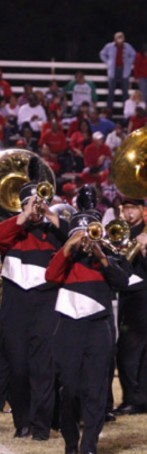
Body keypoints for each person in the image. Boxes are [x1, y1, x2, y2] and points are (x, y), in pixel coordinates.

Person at [45, 187, 132, 454]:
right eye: (80, 234)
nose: (85, 240)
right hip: (68, 326)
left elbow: (122, 282)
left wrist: (101, 255)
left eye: (90, 233)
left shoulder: (108, 255)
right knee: (69, 388)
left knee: (95, 388)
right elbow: (50, 276)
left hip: (98, 326)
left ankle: (89, 445)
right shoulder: (65, 258)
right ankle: (71, 438)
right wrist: (69, 247)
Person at [0, 175, 67, 440]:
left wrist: (50, 215)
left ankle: (41, 426)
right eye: (31, 203)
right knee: (17, 366)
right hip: (15, 302)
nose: (36, 208)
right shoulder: (14, 230)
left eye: (39, 203)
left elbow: (73, 237)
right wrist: (24, 215)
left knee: (43, 367)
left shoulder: (56, 233)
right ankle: (22, 422)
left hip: (46, 303)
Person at [112, 197, 147, 415]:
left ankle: (132, 399)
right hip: (126, 294)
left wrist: (145, 250)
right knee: (137, 351)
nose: (128, 213)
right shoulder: (119, 232)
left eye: (132, 208)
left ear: (143, 210)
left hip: (144, 295)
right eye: (125, 208)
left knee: (127, 349)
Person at [99, 31, 136, 111]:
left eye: (121, 38)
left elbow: (133, 54)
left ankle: (126, 111)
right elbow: (102, 54)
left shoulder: (127, 46)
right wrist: (108, 62)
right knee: (111, 91)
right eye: (118, 38)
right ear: (115, 39)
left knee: (125, 92)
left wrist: (129, 62)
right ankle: (109, 111)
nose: (120, 40)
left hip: (124, 70)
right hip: (113, 70)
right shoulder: (109, 46)